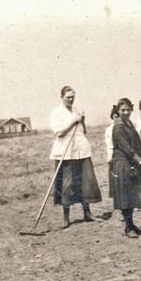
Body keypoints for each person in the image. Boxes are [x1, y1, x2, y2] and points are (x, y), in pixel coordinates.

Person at [50, 86, 102, 229]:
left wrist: (82, 121)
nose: (71, 100)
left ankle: (87, 213)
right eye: (68, 97)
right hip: (66, 152)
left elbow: (83, 131)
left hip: (81, 150)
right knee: (67, 184)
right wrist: (74, 121)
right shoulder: (56, 112)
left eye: (73, 97)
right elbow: (59, 132)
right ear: (62, 97)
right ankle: (66, 217)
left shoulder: (77, 110)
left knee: (84, 181)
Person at [112, 98, 141, 238]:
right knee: (126, 197)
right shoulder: (118, 127)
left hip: (131, 163)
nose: (126, 112)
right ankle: (128, 227)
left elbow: (134, 138)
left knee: (132, 195)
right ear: (118, 111)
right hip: (123, 164)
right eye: (123, 110)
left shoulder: (128, 123)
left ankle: (131, 223)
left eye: (128, 110)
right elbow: (127, 149)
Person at [105, 104, 119, 199]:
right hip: (114, 154)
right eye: (115, 117)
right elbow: (109, 144)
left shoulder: (126, 126)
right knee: (115, 176)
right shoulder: (109, 130)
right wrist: (110, 157)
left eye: (119, 116)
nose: (117, 119)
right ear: (112, 117)